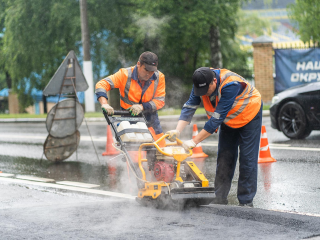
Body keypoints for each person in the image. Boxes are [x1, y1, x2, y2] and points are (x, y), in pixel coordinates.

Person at [166, 67, 262, 207]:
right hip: (230, 117)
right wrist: (177, 130)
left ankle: (246, 201)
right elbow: (189, 107)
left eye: (206, 91)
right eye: (201, 91)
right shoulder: (201, 81)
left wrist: (194, 141)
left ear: (214, 81)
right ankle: (219, 199)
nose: (203, 94)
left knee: (247, 158)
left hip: (249, 113)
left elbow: (216, 120)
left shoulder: (231, 84)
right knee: (224, 156)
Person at [95, 51, 166, 144]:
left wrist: (141, 107)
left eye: (152, 71)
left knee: (159, 149)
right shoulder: (124, 74)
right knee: (134, 152)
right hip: (128, 118)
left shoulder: (159, 77)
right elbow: (101, 84)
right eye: (146, 70)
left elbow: (160, 101)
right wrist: (105, 104)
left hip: (151, 118)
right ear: (138, 64)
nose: (149, 74)